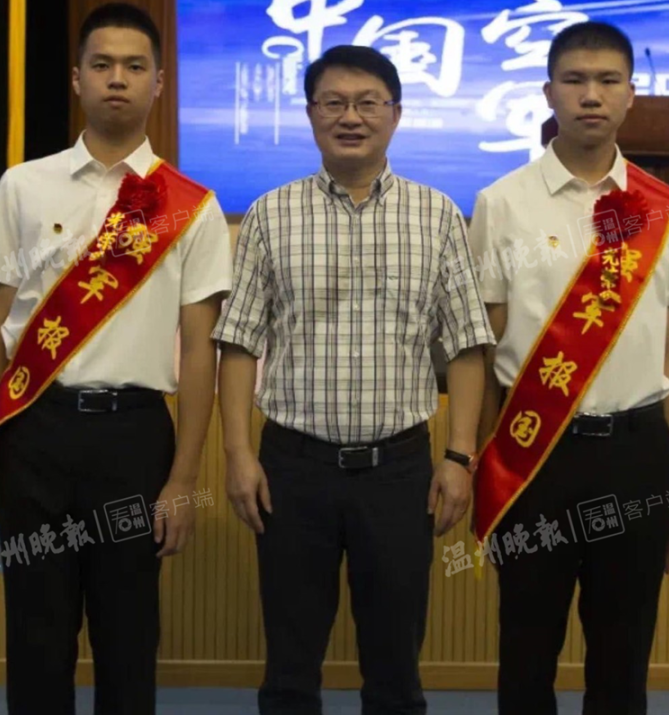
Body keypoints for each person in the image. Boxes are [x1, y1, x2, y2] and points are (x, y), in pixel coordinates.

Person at [212, 45, 494, 715]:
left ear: (396, 113)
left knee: (396, 671)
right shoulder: (270, 213)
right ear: (311, 113)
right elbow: (239, 342)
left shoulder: (437, 214)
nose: (351, 117)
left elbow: (466, 345)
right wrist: (238, 454)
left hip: (400, 471)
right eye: (333, 102)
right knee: (289, 669)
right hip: (292, 468)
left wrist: (459, 457)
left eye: (368, 103)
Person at [0, 2, 232, 715]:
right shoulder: (23, 186)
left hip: (133, 439)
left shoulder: (192, 206)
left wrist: (184, 479)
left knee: (128, 637)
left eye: (135, 66)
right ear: (77, 78)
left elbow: (201, 350)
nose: (118, 78)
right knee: (36, 635)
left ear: (159, 83)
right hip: (35, 434)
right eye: (103, 64)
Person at [468, 21, 669, 715]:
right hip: (536, 452)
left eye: (608, 80)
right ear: (548, 93)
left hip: (636, 453)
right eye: (576, 80)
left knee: (623, 656)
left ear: (631, 94)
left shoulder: (666, 210)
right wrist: (477, 459)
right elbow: (483, 350)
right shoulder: (501, 203)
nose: (592, 95)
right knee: (526, 650)